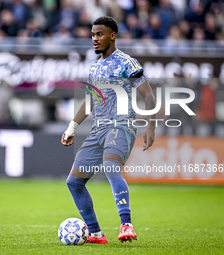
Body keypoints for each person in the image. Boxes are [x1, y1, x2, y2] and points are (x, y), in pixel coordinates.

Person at [61, 16, 156, 244]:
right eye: (93, 34)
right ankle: (95, 233)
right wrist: (72, 127)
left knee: (111, 165)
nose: (95, 39)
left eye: (100, 34)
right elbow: (90, 101)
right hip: (98, 130)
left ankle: (126, 224)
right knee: (74, 182)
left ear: (112, 35)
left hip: (122, 126)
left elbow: (148, 95)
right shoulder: (95, 68)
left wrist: (151, 124)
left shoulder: (127, 62)